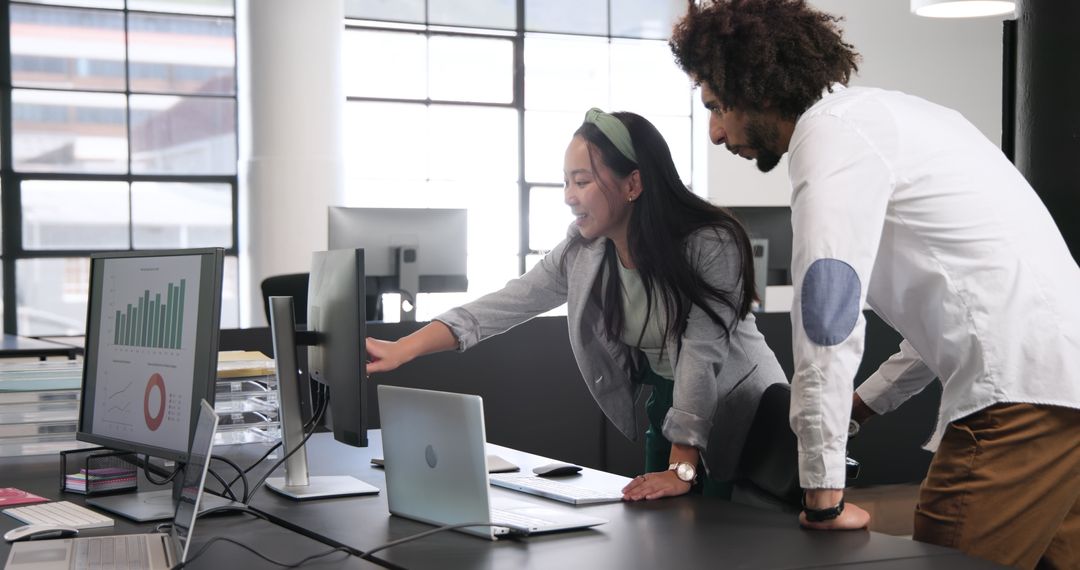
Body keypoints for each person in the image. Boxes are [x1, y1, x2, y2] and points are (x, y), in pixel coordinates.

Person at [669, 0, 1080, 567]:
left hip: (1020, 401)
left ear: (755, 88)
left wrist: (822, 491)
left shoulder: (828, 135)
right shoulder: (902, 118)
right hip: (1062, 394)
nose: (714, 133)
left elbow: (827, 313)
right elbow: (968, 308)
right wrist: (863, 404)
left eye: (716, 107)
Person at [366, 108, 788, 500]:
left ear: (633, 184)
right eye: (566, 181)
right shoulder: (584, 251)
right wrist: (404, 348)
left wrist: (680, 470)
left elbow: (701, 357)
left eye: (582, 181)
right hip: (670, 404)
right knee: (664, 539)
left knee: (726, 541)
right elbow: (507, 302)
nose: (569, 196)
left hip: (741, 410)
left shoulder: (711, 243)